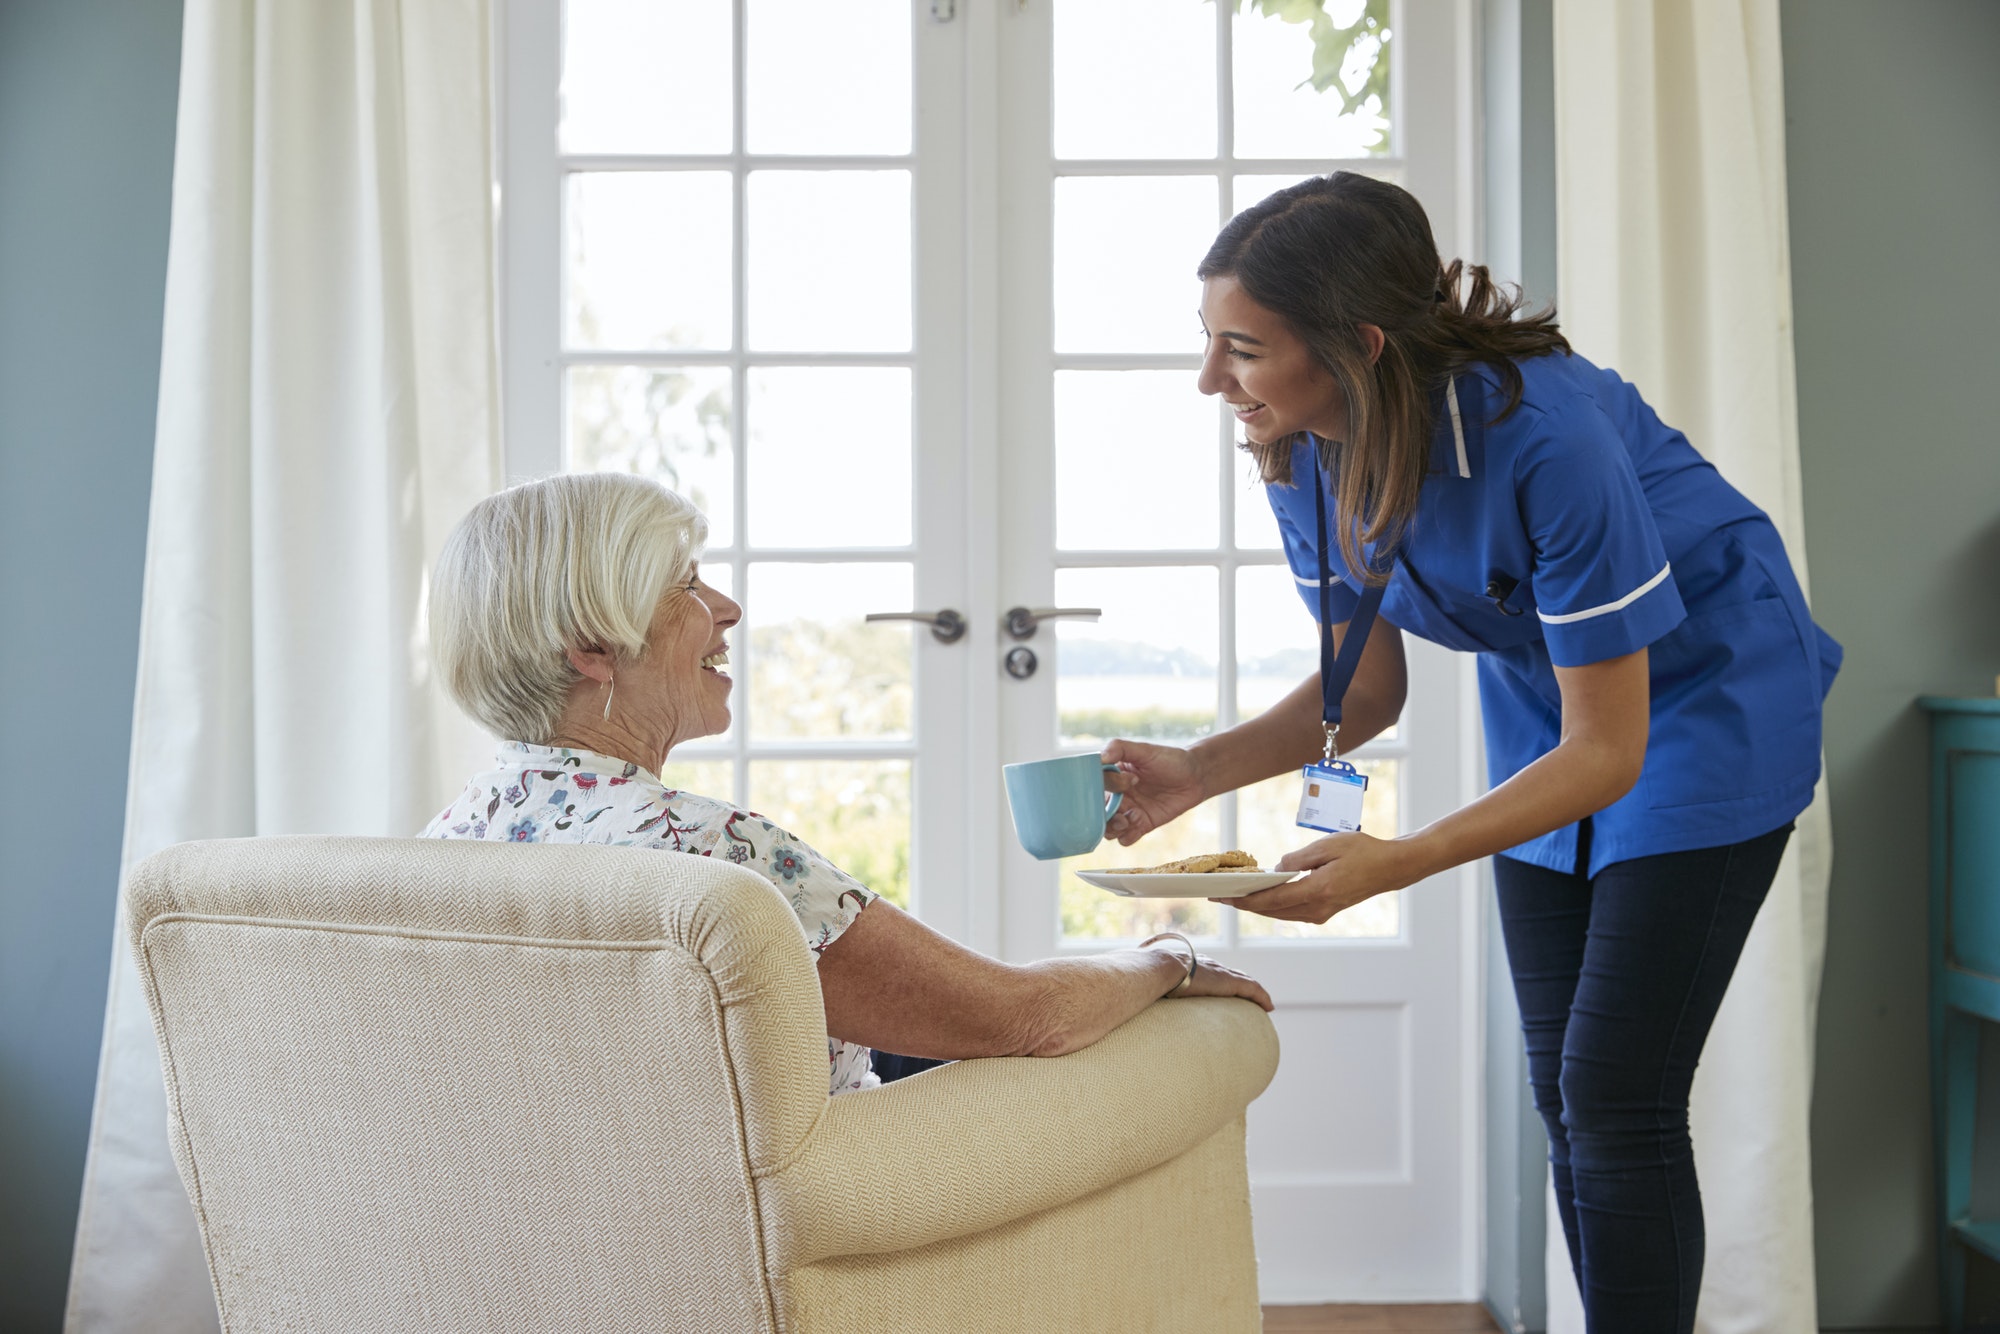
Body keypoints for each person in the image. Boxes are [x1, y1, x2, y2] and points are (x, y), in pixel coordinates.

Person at [1103, 172, 1838, 1332]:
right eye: (1210, 345)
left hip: (1705, 695)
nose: (1210, 381)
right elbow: (1367, 687)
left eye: (1240, 347)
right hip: (1558, 704)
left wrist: (1396, 859)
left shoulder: (1542, 435)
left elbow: (1613, 748)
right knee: (1566, 1091)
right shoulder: (1303, 448)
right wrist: (1197, 770)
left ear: (1356, 343)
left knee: (1616, 1089)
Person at [420, 472, 1271, 1096]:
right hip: (810, 1223)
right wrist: (1168, 956)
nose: (726, 608)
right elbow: (1026, 1017)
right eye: (683, 585)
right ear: (592, 646)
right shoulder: (713, 858)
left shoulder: (440, 848)